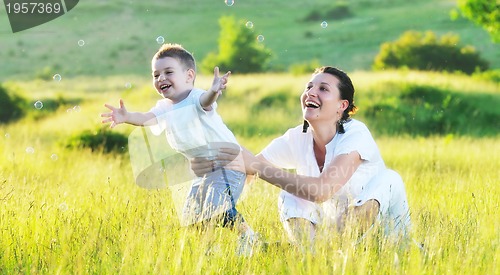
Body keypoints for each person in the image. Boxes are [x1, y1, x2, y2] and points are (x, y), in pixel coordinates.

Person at [192, 66, 411, 247]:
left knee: (389, 179)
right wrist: (212, 177)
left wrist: (257, 167)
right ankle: (312, 257)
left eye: (323, 89)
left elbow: (322, 191)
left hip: (383, 240)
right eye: (309, 87)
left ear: (342, 106)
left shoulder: (356, 134)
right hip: (336, 244)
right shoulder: (298, 137)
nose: (311, 93)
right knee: (291, 194)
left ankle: (374, 247)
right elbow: (247, 170)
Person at [101, 43, 256, 253]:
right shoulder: (164, 107)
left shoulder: (196, 98)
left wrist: (214, 90)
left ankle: (247, 235)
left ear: (189, 75)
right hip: (203, 170)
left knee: (215, 207)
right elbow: (147, 118)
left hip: (228, 164)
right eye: (156, 75)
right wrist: (127, 117)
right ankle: (209, 251)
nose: (161, 78)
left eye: (168, 72)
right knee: (192, 216)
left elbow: (206, 101)